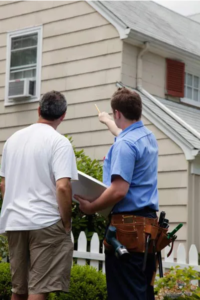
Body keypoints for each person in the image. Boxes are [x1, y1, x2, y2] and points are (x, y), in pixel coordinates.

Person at [74, 87, 159, 300]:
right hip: (147, 229)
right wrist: (106, 121)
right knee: (142, 290)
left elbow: (119, 190)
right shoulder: (147, 137)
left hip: (127, 230)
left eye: (113, 115)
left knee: (125, 293)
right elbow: (122, 133)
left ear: (118, 113)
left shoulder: (125, 145)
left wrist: (91, 207)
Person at [0, 91, 78, 300]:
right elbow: (62, 186)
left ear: (38, 110)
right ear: (63, 116)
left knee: (19, 289)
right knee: (38, 288)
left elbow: (3, 184)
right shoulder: (59, 142)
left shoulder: (12, 140)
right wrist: (66, 222)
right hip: (45, 222)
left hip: (15, 221)